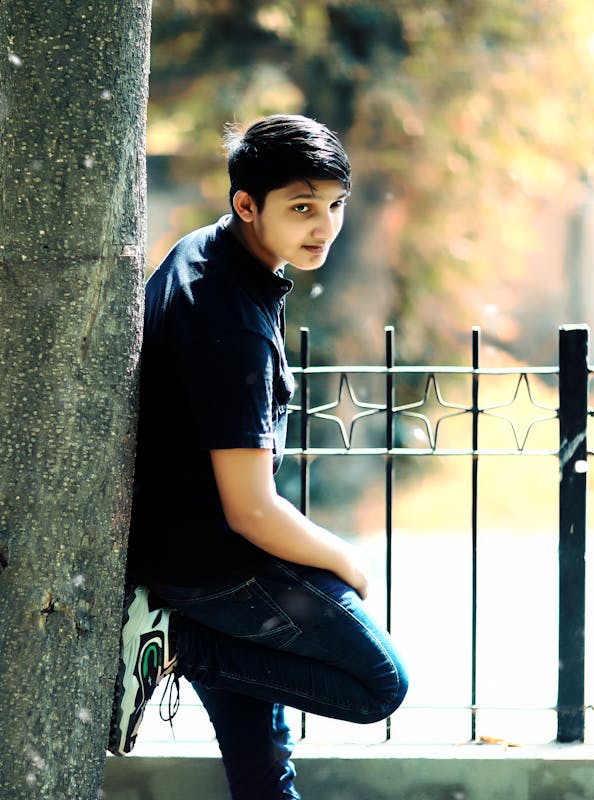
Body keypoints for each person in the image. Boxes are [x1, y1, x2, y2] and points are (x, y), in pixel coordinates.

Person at [109, 114, 408, 799]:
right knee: (378, 684)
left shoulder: (206, 254)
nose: (324, 225)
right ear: (247, 204)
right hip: (214, 569)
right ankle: (183, 642)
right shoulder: (231, 323)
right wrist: (345, 559)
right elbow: (250, 510)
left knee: (263, 771)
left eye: (334, 204)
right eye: (301, 207)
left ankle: (201, 646)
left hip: (179, 548)